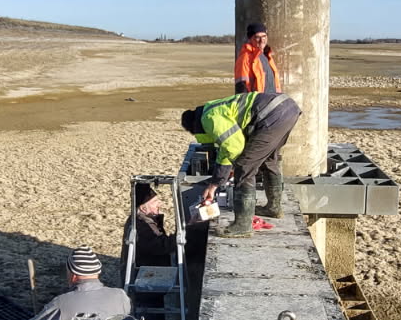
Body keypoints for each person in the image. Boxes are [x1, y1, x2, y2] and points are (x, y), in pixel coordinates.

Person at [180, 91, 302, 236]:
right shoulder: (212, 109)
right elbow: (232, 145)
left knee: (245, 166)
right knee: (269, 160)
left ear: (195, 128)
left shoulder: (209, 118)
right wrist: (218, 179)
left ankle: (242, 226)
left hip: (271, 114)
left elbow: (233, 147)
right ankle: (273, 208)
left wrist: (222, 178)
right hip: (286, 107)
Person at [121, 182, 173, 284]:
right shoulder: (141, 226)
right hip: (143, 281)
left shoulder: (144, 220)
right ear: (143, 208)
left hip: (146, 274)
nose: (160, 204)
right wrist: (188, 231)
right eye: (155, 202)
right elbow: (162, 246)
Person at [233, 22, 281, 95]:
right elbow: (242, 86)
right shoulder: (245, 57)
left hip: (271, 101)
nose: (262, 40)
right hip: (257, 103)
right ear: (250, 39)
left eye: (264, 36)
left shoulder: (267, 56)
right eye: (257, 37)